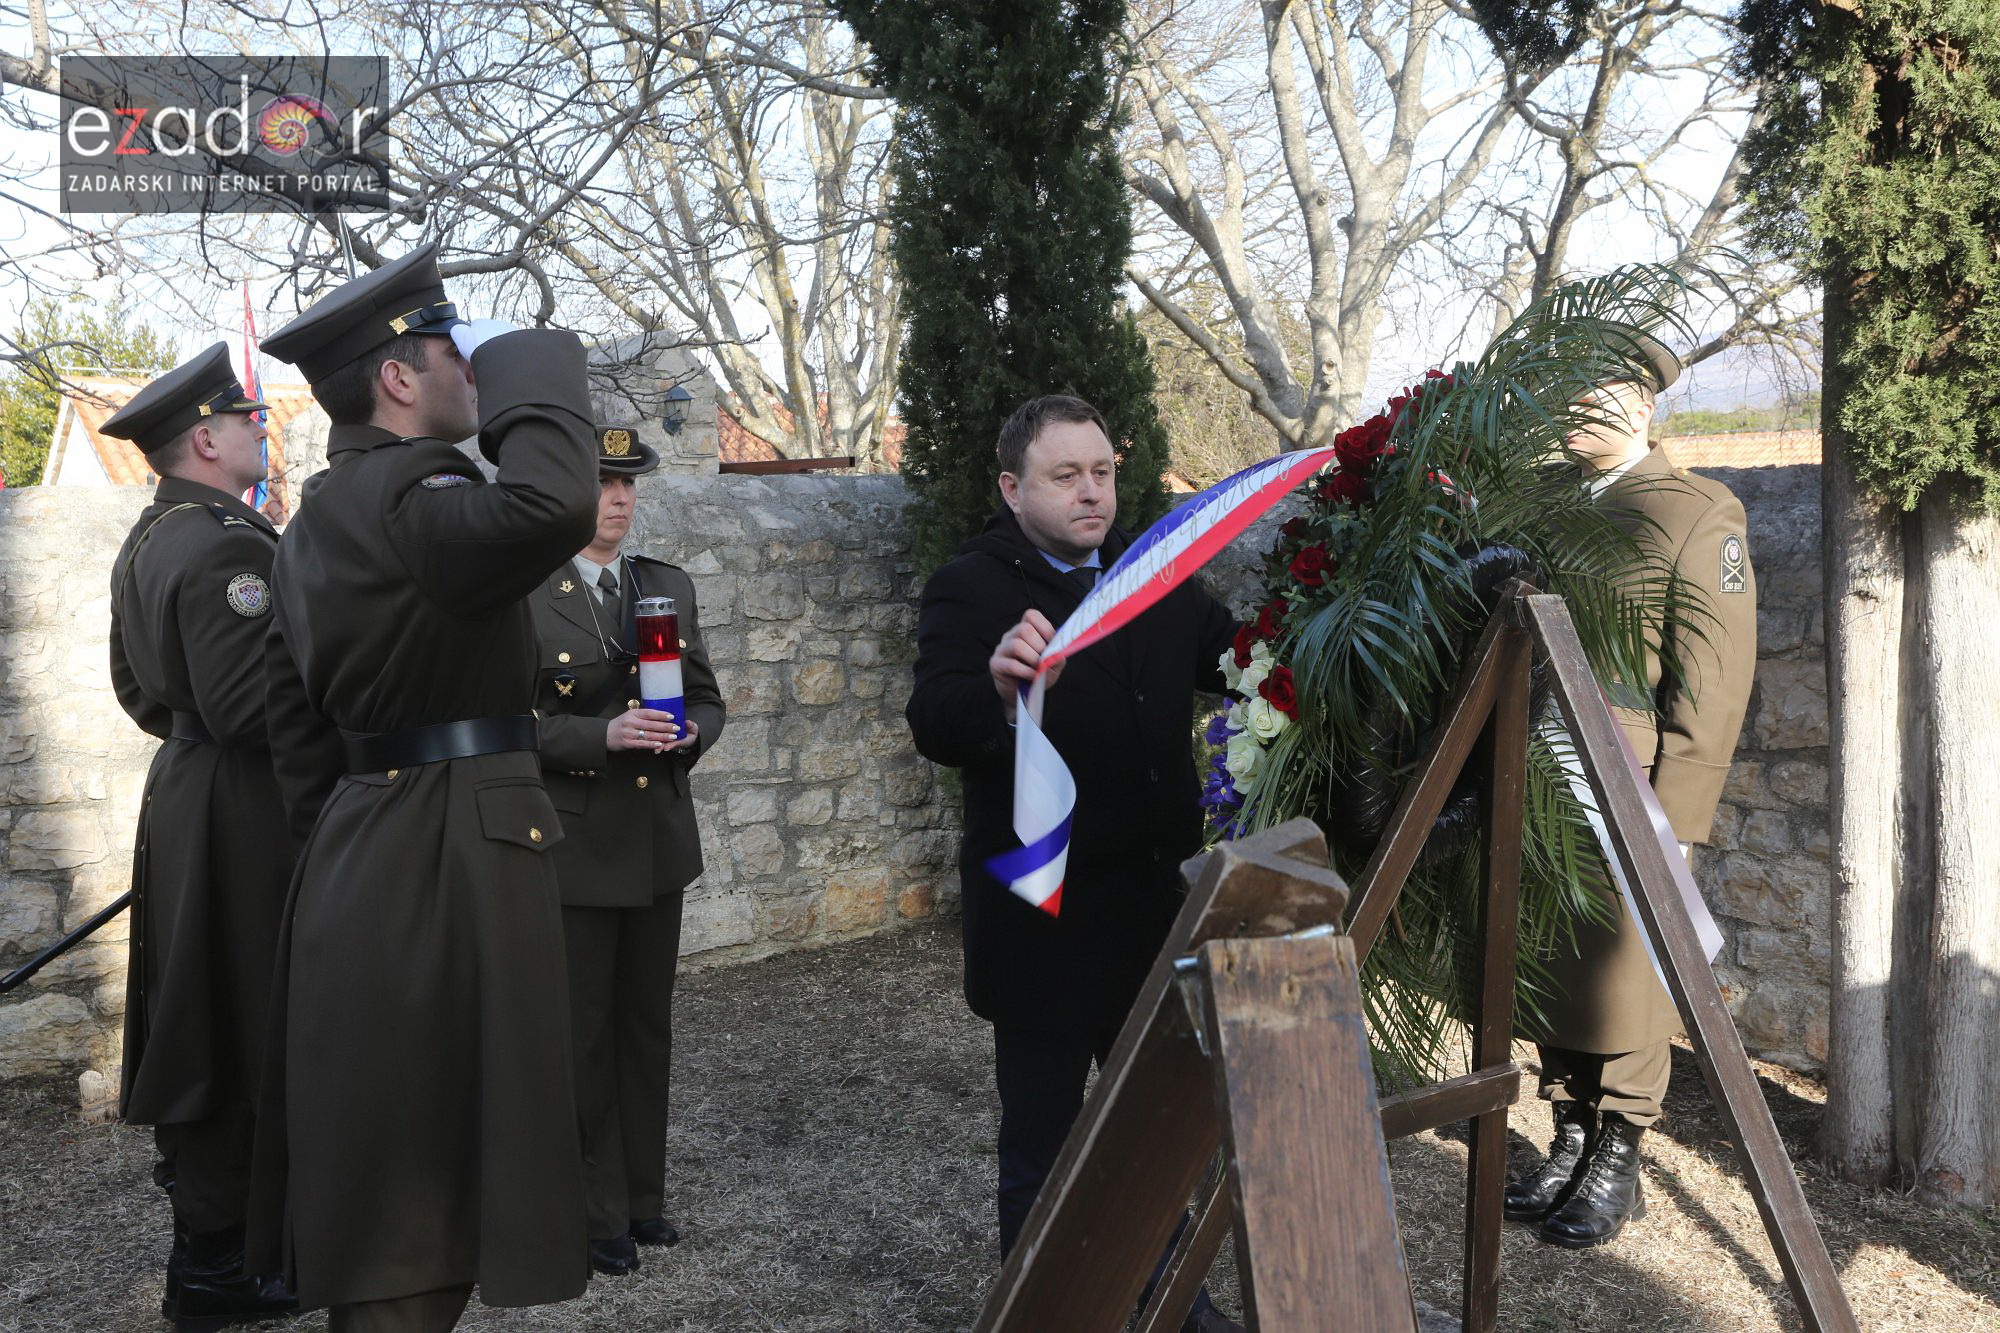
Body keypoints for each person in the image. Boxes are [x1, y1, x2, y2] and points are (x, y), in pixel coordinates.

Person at [245, 243, 599, 1332]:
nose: (469, 369)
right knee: (432, 1169)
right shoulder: (415, 489)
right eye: (454, 348)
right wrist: (533, 359)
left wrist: (355, 840)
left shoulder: (310, 524)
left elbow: (294, 727)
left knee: (393, 1141)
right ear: (399, 375)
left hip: (366, 844)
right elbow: (552, 506)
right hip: (452, 847)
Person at [906, 394, 1243, 1333]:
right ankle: (1046, 1307)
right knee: (1045, 1144)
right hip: (1043, 920)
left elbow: (1241, 659)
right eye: (1067, 475)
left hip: (1155, 912)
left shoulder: (1156, 570)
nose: (1093, 491)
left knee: (1155, 1130)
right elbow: (936, 722)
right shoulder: (970, 586)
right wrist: (1001, 691)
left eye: (1102, 470)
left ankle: (1177, 1300)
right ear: (1013, 488)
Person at [1505, 331, 1758, 1248]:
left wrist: (1678, 817)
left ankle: (1619, 1153)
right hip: (1534, 772)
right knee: (1551, 962)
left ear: (1644, 403)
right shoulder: (1539, 505)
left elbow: (1712, 680)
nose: (1581, 408)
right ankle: (1569, 1133)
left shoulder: (1696, 512)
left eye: (1602, 391)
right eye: (1567, 391)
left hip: (1629, 785)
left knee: (1627, 974)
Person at [100, 343, 296, 1329]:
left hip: (186, 791)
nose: (265, 429)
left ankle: (224, 1248)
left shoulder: (153, 535)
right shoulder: (225, 543)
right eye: (250, 418)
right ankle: (222, 1265)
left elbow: (140, 693)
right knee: (235, 1021)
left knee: (203, 1015)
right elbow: (251, 703)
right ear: (207, 438)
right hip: (238, 808)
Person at [528, 424, 724, 1278]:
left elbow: (709, 699)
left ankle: (643, 1198)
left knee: (647, 1030)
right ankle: (592, 1209)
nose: (618, 498)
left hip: (655, 843)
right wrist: (600, 733)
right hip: (576, 844)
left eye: (628, 484)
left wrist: (685, 735)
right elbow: (505, 725)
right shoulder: (526, 596)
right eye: (603, 483)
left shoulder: (663, 587)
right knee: (584, 1036)